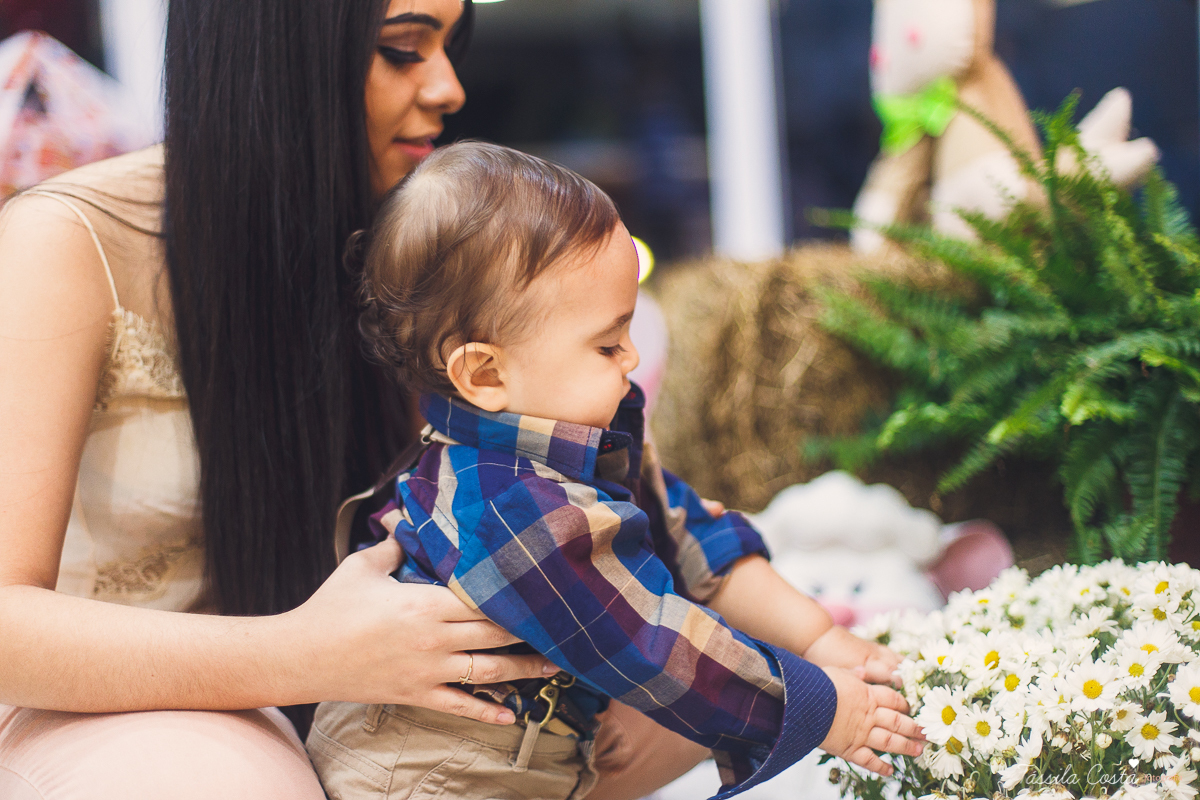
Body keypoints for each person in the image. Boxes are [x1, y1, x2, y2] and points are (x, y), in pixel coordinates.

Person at [0, 1, 721, 797]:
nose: (449, 87)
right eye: (402, 49)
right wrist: (303, 653)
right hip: (100, 709)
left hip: (372, 710)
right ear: (273, 56)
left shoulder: (430, 240)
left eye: (451, 47)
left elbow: (638, 506)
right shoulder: (64, 245)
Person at [306, 141, 926, 800]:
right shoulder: (506, 506)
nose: (631, 357)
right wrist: (818, 707)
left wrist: (819, 636)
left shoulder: (578, 434)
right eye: (607, 343)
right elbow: (652, 644)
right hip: (426, 778)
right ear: (485, 373)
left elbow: (682, 532)